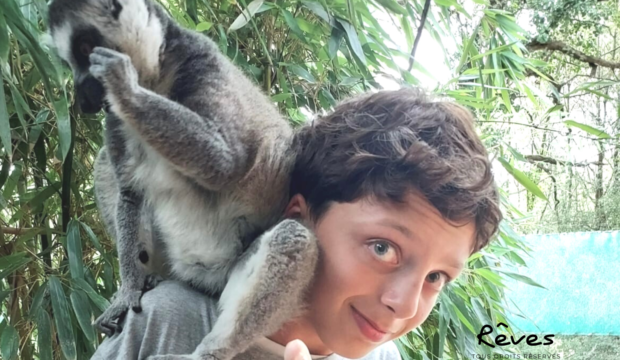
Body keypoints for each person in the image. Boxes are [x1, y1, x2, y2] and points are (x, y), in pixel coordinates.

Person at [91, 88, 502, 360]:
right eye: (383, 248)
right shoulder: (171, 320)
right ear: (296, 219)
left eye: (436, 277)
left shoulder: (381, 353)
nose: (406, 305)